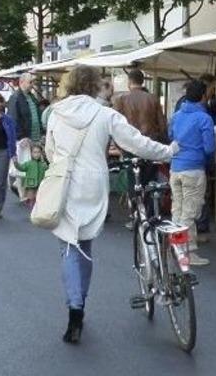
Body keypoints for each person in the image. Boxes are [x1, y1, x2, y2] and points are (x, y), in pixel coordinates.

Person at [46, 65, 175, 345]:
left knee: (69, 246)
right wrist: (169, 151)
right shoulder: (105, 114)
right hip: (94, 184)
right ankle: (82, 302)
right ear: (95, 86)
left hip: (65, 185)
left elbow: (49, 151)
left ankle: (75, 309)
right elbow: (138, 143)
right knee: (87, 244)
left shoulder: (56, 114)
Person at [169, 80, 216, 266]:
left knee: (177, 210)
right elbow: (210, 147)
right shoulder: (204, 118)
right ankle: (186, 253)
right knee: (189, 212)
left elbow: (171, 137)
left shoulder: (177, 116)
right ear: (203, 96)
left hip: (176, 167)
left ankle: (176, 248)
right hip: (194, 169)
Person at [113, 69, 168, 222]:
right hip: (149, 145)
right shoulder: (152, 99)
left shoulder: (121, 100)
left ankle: (136, 215)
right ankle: (150, 214)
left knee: (133, 182)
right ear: (142, 81)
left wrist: (120, 148)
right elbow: (162, 126)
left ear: (129, 82)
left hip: (130, 147)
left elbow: (115, 128)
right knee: (151, 181)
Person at [8, 72, 43, 143]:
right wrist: (21, 137)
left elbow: (38, 115)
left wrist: (42, 132)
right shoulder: (15, 98)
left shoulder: (32, 97)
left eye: (33, 82)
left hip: (36, 137)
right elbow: (13, 120)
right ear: (21, 82)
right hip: (24, 140)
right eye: (30, 82)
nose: (32, 85)